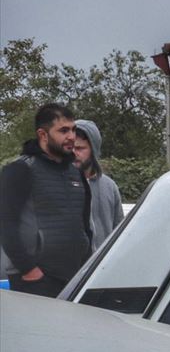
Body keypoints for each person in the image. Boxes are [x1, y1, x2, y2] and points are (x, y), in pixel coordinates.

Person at [0, 103, 92, 296]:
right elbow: (6, 224)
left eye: (73, 130)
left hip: (74, 278)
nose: (71, 137)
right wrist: (28, 270)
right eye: (63, 130)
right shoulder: (20, 170)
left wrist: (86, 265)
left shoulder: (76, 173)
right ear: (43, 135)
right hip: (35, 281)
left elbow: (85, 225)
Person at [72, 119, 124, 248]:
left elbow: (120, 233)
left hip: (103, 265)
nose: (74, 153)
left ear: (93, 150)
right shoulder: (57, 185)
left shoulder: (109, 187)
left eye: (79, 148)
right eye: (70, 148)